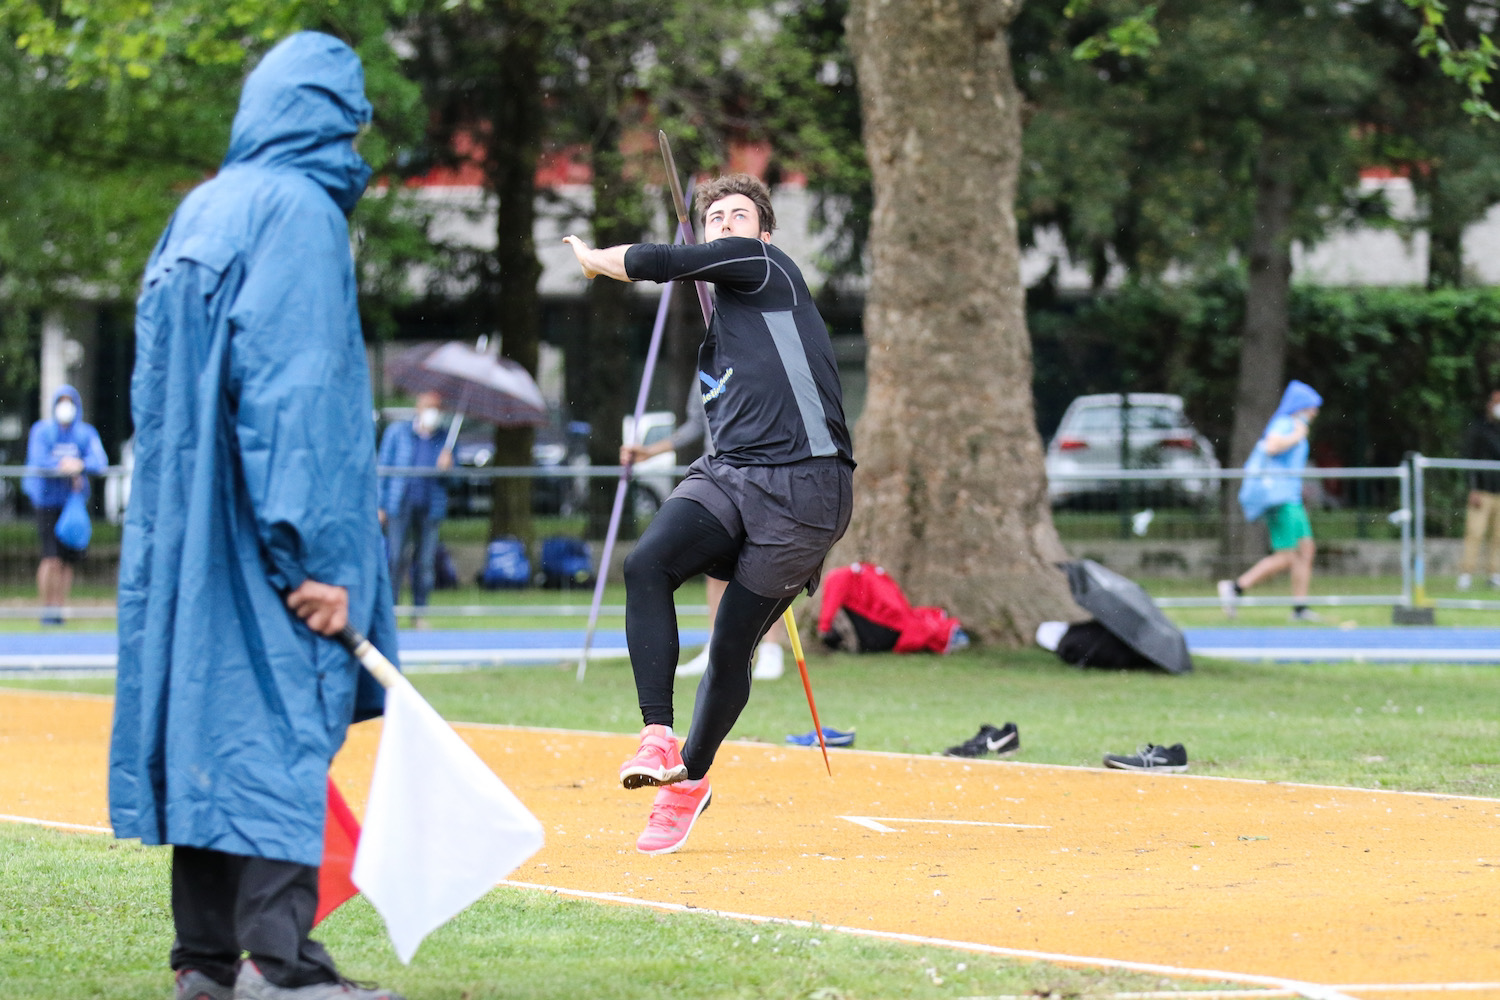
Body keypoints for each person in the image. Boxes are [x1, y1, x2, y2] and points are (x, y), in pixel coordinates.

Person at [108, 33, 402, 1000]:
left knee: (210, 728)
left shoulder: (201, 209)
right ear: (330, 121)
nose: (359, 146)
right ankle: (283, 967)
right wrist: (314, 559)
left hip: (188, 532)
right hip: (266, 532)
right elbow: (295, 398)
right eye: (354, 125)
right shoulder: (299, 213)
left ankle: (204, 964)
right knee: (280, 727)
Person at [565, 173, 856, 856]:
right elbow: (717, 424)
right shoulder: (720, 342)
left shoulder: (766, 266)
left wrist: (595, 259)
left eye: (738, 214)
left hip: (808, 489)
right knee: (646, 564)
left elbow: (661, 261)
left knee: (731, 646)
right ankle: (656, 735)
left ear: (764, 232)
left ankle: (688, 780)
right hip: (730, 472)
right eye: (714, 216)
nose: (725, 222)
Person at [620, 382, 786, 680]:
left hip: (761, 473)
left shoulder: (758, 360)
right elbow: (697, 424)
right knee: (715, 565)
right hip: (719, 475)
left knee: (766, 563)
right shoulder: (704, 369)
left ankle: (771, 649)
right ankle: (715, 648)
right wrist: (651, 451)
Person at [1218, 379, 1324, 622]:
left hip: (1291, 498)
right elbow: (1272, 446)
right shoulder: (1286, 423)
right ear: (1301, 406)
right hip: (1281, 499)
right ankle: (1235, 588)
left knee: (1306, 549)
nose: (1315, 412)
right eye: (1312, 407)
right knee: (1286, 556)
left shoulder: (1294, 424)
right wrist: (1296, 436)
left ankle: (1299, 609)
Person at [23, 385, 107, 624]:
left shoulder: (85, 433)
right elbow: (38, 459)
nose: (65, 407)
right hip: (46, 502)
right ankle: (47, 609)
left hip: (72, 505)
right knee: (51, 558)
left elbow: (99, 460)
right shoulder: (42, 431)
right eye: (61, 401)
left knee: (67, 560)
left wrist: (80, 465)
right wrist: (63, 465)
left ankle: (59, 609)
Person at [378, 391, 453, 625]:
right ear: (418, 407)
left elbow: (455, 482)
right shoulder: (397, 433)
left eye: (438, 408)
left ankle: (419, 614)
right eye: (430, 406)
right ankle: (390, 612)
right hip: (399, 506)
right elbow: (383, 469)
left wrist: (448, 468)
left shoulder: (446, 439)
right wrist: (380, 505)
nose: (434, 412)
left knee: (425, 563)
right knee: (395, 558)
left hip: (430, 508)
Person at [1457, 389, 1500, 591]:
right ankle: (1466, 574)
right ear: (1489, 404)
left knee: (1498, 536)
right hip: (1482, 491)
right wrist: (1473, 488)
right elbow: (1470, 458)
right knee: (1475, 533)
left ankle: (1495, 574)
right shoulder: (1479, 428)